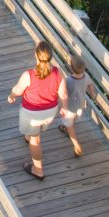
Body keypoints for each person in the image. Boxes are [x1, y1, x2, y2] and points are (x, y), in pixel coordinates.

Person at [8, 40, 67, 180]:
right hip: (50, 113)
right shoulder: (58, 74)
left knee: (36, 140)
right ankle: (29, 135)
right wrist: (64, 108)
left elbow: (17, 90)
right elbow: (63, 94)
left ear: (36, 55)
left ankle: (38, 169)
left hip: (32, 114)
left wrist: (11, 96)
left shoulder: (28, 75)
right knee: (35, 131)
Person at [57, 54, 97, 158]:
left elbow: (63, 93)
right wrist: (92, 94)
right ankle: (66, 128)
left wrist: (60, 103)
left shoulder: (68, 80)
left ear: (71, 67)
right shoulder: (86, 77)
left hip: (69, 108)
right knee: (72, 121)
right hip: (80, 107)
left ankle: (77, 146)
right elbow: (90, 85)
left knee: (70, 127)